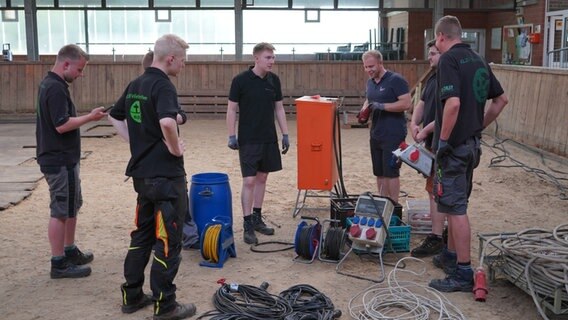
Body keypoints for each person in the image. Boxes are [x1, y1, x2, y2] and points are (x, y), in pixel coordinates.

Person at [108, 34, 196, 319]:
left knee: (142, 236)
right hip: (166, 177)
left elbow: (114, 115)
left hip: (142, 177)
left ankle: (132, 295)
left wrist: (135, 143)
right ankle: (165, 305)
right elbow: (168, 121)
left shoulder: (136, 84)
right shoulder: (162, 85)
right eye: (182, 60)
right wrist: (174, 148)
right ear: (171, 58)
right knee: (169, 240)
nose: (183, 65)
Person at [429, 15, 508, 292]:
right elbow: (500, 100)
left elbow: (452, 104)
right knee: (454, 204)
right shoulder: (479, 59)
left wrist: (444, 141)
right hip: (471, 145)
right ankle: (450, 256)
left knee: (456, 208)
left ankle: (463, 271)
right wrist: (478, 126)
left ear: (441, 37)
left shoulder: (448, 60)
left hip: (455, 147)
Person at [36, 44, 107, 279]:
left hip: (65, 158)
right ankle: (58, 262)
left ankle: (69, 249)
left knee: (70, 206)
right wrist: (90, 117)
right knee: (60, 210)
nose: (80, 74)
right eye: (79, 69)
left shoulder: (54, 85)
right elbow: (61, 124)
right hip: (58, 159)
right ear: (66, 64)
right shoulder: (55, 88)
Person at [226, 42, 290, 245]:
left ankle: (256, 217)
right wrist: (231, 135)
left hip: (268, 138)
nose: (272, 61)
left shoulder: (274, 81)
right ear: (256, 58)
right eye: (268, 57)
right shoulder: (240, 80)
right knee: (249, 181)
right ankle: (246, 223)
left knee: (262, 178)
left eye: (273, 57)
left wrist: (285, 134)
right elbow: (231, 109)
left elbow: (279, 108)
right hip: (248, 139)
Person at [357, 50, 411, 205]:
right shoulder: (370, 83)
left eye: (371, 66)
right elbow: (369, 100)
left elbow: (406, 103)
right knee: (379, 172)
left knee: (391, 172)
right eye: (366, 67)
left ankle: (393, 205)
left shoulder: (396, 80)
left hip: (393, 133)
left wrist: (383, 106)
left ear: (381, 63)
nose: (368, 70)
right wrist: (363, 112)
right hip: (376, 132)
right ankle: (382, 203)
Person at [409, 40, 446, 258]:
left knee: (438, 191)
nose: (430, 57)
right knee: (432, 189)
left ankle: (437, 236)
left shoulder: (448, 78)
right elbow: (421, 103)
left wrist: (424, 131)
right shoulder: (433, 77)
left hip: (443, 144)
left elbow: (445, 114)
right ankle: (438, 233)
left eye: (433, 53)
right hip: (430, 142)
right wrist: (415, 123)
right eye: (429, 53)